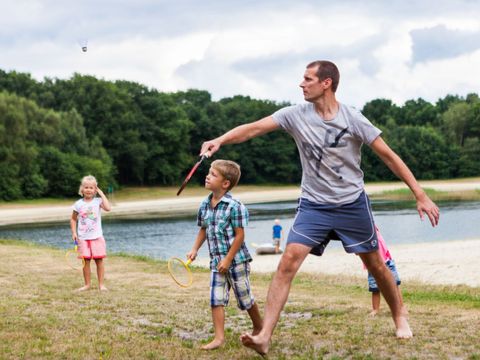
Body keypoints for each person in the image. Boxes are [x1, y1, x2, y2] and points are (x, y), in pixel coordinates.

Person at [199, 60, 440, 354]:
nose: (302, 84)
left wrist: (420, 194)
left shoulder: (353, 119)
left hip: (352, 203)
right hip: (314, 204)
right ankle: (264, 336)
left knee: (376, 264)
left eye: (307, 79)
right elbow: (253, 129)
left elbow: (388, 156)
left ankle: (399, 315)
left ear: (326, 83)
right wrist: (220, 140)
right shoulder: (294, 115)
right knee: (288, 261)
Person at [187, 159, 263, 350]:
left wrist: (228, 259)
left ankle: (259, 326)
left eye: (213, 174)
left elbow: (240, 236)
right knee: (216, 299)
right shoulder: (204, 205)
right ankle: (218, 338)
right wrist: (195, 248)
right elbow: (203, 229)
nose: (207, 175)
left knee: (245, 299)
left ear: (225, 183)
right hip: (216, 262)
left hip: (236, 261)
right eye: (209, 172)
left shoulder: (235, 206)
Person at [70, 175, 111, 291]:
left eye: (91, 188)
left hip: (97, 237)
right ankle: (87, 284)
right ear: (82, 189)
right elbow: (73, 219)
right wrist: (74, 232)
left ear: (95, 190)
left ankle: (101, 285)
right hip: (83, 237)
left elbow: (108, 208)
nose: (88, 189)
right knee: (86, 261)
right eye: (86, 187)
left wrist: (101, 193)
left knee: (99, 260)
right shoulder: (78, 204)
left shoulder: (98, 201)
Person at [366, 226, 405, 317]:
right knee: (375, 289)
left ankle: (401, 307)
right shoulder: (363, 238)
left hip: (387, 262)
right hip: (372, 266)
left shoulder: (374, 230)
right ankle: (375, 309)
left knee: (395, 285)